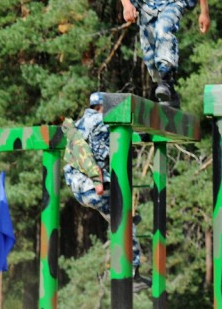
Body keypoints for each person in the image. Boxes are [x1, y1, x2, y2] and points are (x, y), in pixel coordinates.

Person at [62, 92, 151, 292]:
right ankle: (133, 273)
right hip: (95, 187)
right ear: (102, 107)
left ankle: (128, 263)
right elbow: (107, 147)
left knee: (119, 219)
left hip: (79, 189)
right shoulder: (102, 122)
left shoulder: (77, 125)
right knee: (125, 222)